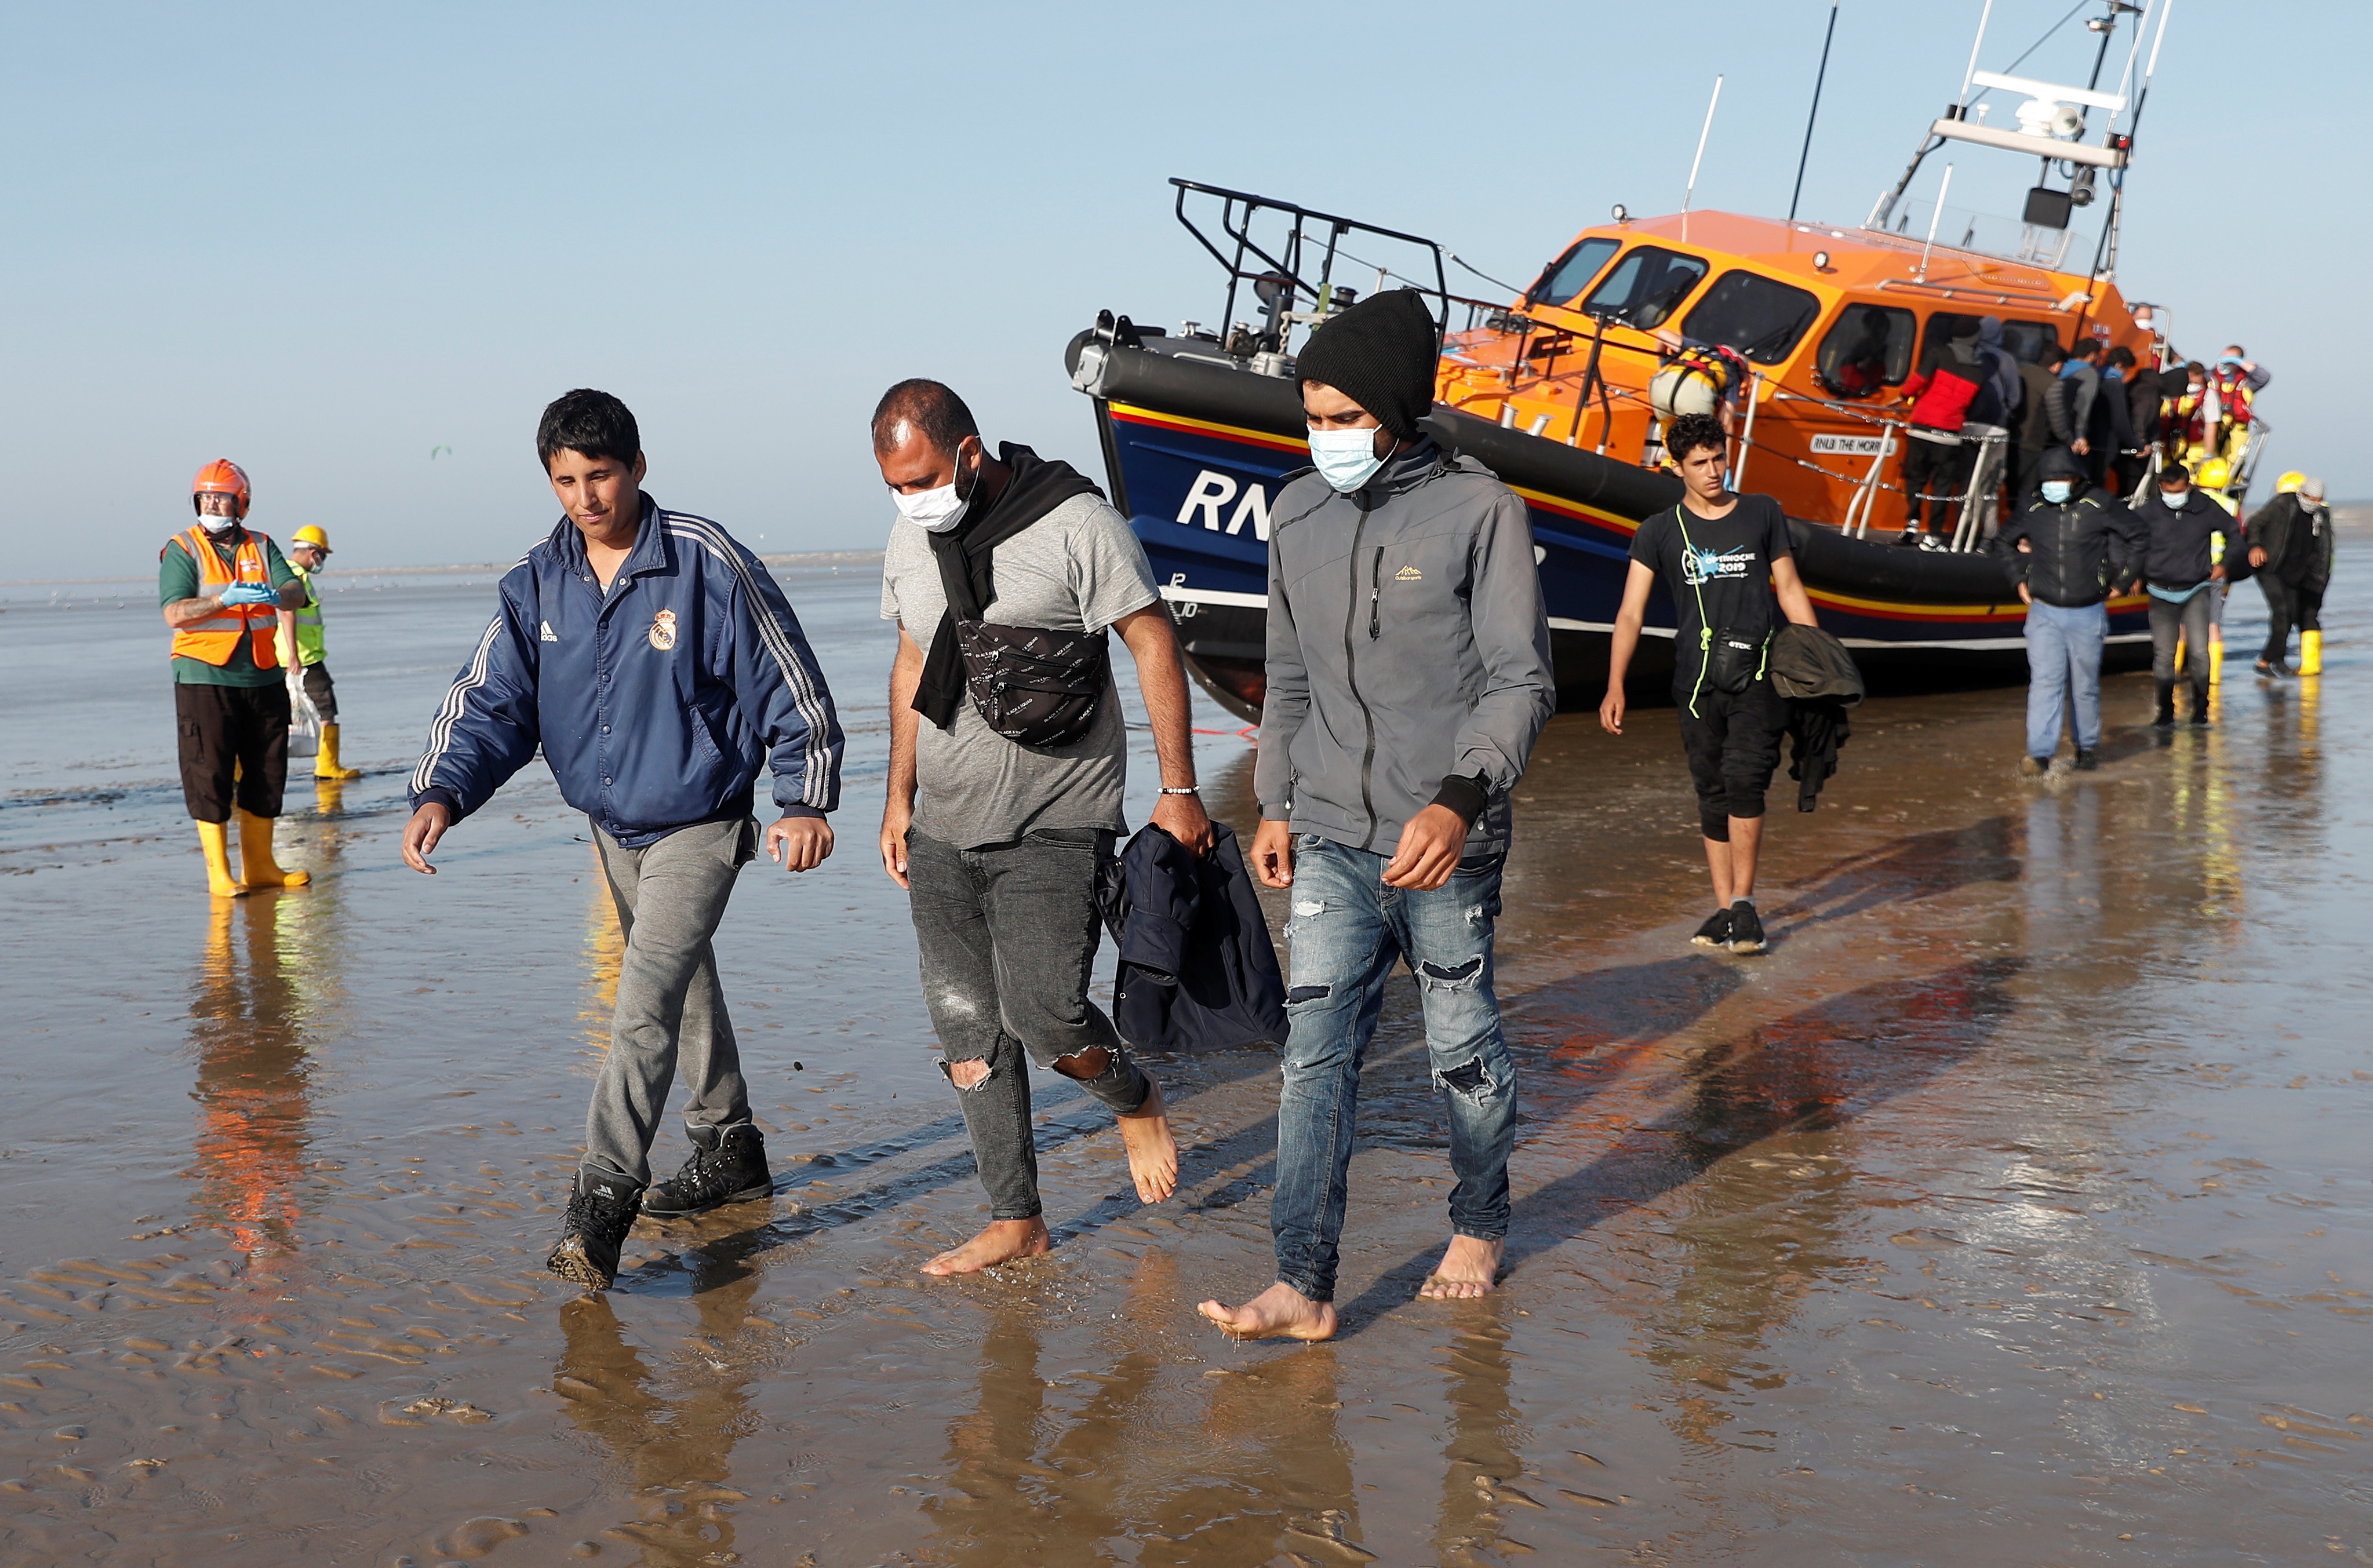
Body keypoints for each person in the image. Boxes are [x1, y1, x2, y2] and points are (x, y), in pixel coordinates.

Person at [402, 389, 845, 1290]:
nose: (584, 497)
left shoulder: (703, 560)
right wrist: (444, 788)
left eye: (599, 475)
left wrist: (803, 800)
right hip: (610, 826)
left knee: (641, 1002)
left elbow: (787, 679)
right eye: (565, 479)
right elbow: (493, 699)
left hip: (702, 820)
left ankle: (600, 1202)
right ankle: (729, 1144)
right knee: (677, 986)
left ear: (637, 466)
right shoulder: (539, 581)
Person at [1197, 289, 1555, 1341]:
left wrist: (1457, 800)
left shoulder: (1479, 512)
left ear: (1395, 409)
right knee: (1312, 1055)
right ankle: (1302, 1285)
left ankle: (1479, 1223)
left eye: (1345, 415)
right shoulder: (1294, 513)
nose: (1326, 436)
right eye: (1311, 415)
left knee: (1458, 1049)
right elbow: (1287, 680)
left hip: (1445, 842)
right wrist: (1270, 802)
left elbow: (1518, 681)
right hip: (1328, 839)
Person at [872, 377, 1199, 1278]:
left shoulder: (1073, 522)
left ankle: (1134, 1097)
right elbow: (909, 660)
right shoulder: (910, 540)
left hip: (1059, 819)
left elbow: (1151, 640)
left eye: (924, 478)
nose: (912, 500)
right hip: (944, 826)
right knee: (967, 1032)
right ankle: (1017, 1217)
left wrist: (1179, 788)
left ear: (968, 454)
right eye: (896, 485)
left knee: (1048, 1017)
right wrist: (896, 797)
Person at [1602, 410, 1821, 952]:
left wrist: (1819, 658)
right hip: (1695, 682)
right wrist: (1615, 684)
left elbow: (1789, 588)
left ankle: (1745, 905)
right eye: (1700, 463)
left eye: (1719, 458)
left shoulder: (1761, 513)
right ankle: (1724, 908)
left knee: (1746, 780)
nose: (1714, 471)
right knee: (1712, 792)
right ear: (1676, 467)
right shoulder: (1657, 532)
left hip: (1760, 674)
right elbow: (1630, 613)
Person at [159, 460, 313, 898]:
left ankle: (261, 865)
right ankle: (219, 873)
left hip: (263, 675)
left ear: (240, 502)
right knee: (209, 771)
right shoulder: (182, 549)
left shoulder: (263, 545)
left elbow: (296, 592)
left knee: (268, 770)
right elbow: (174, 612)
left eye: (220, 496)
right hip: (204, 677)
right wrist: (224, 600)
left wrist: (276, 593)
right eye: (204, 497)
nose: (211, 503)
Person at [1994, 447, 2141, 774]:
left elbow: (2139, 536)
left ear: (2076, 479)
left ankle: (2086, 748)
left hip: (2087, 612)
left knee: (2084, 685)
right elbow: (2003, 541)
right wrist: (2018, 578)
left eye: (2060, 478)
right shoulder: (2032, 508)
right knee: (2045, 683)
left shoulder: (2100, 504)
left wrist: (2123, 579)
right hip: (2044, 612)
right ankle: (2039, 754)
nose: (2053, 484)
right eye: (2048, 479)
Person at [2129, 462, 2224, 727]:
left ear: (2189, 486)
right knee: (2163, 655)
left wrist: (2225, 565)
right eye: (2169, 491)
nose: (2174, 496)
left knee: (2199, 652)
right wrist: (2132, 574)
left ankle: (2201, 709)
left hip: (2198, 589)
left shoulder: (2206, 508)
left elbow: (2235, 534)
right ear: (2160, 488)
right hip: (2160, 593)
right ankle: (2165, 712)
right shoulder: (2147, 513)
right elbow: (2131, 542)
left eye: (2179, 491)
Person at [279, 525, 363, 782]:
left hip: (286, 656)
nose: (322, 561)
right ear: (313, 552)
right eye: (322, 556)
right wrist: (294, 654)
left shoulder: (282, 571)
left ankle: (242, 770)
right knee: (326, 709)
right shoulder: (295, 577)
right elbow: (287, 612)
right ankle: (327, 767)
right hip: (304, 658)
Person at [1895, 322, 1983, 546]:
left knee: (1915, 478)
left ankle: (1912, 523)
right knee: (1942, 487)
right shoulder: (1979, 370)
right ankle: (1934, 535)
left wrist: (1902, 396)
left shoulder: (1938, 354)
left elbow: (1918, 381)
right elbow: (1973, 405)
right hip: (1950, 435)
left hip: (1922, 429)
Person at [2247, 473, 2336, 676]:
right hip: (2271, 569)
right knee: (2282, 614)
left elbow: (2324, 548)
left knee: (2292, 615)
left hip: (2298, 574)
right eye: (2310, 499)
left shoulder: (2320, 515)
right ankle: (2265, 662)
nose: (2314, 504)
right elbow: (2254, 523)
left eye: (2318, 500)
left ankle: (2276, 660)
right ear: (2301, 493)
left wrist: (2319, 578)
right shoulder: (2282, 503)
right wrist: (2255, 546)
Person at [2011, 343, 2065, 509]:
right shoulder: (2053, 384)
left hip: (2013, 438)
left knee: (2011, 489)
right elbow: (2058, 421)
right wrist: (2070, 440)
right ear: (2058, 365)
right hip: (2034, 443)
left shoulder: (2021, 373)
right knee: (2026, 492)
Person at [2048, 338, 2104, 486]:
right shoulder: (2089, 375)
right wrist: (2080, 436)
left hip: (2050, 427)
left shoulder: (2060, 368)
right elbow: (2083, 406)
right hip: (2070, 432)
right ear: (2092, 355)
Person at [2109, 346, 2163, 498]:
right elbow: (2140, 418)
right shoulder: (2149, 392)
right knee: (2131, 490)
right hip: (2132, 452)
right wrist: (2140, 444)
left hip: (2118, 444)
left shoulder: (2135, 385)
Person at [2207, 347, 2270, 462]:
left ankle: (2232, 478)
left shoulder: (2248, 383)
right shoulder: (2211, 378)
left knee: (2235, 459)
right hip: (2215, 425)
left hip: (2237, 427)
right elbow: (2193, 373)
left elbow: (2264, 377)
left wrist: (2239, 362)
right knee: (2209, 458)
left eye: (2229, 361)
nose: (2223, 364)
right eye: (2222, 359)